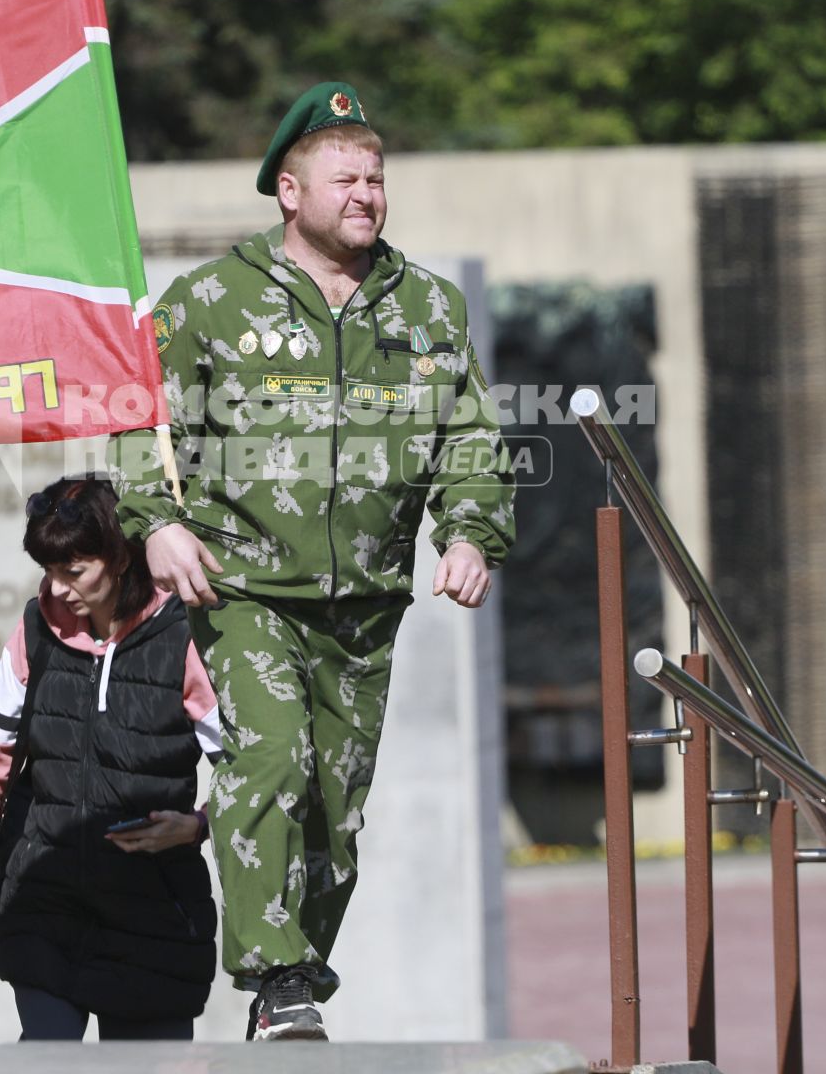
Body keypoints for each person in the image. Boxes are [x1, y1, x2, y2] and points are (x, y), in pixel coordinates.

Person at [112, 81, 516, 1040]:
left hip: (368, 600)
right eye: (346, 178)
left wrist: (469, 533)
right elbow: (135, 411)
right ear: (289, 191)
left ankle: (294, 987)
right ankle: (275, 975)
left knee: (335, 809)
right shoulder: (213, 298)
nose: (367, 194)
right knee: (272, 758)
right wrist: (156, 523)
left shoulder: (428, 305)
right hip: (246, 584)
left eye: (376, 177)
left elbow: (471, 436)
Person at [0, 476, 225, 1041]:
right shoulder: (34, 630)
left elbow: (250, 770)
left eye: (75, 571)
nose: (58, 588)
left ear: (119, 558)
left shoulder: (185, 633)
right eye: (49, 570)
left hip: (154, 914)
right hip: (46, 903)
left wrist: (196, 827)